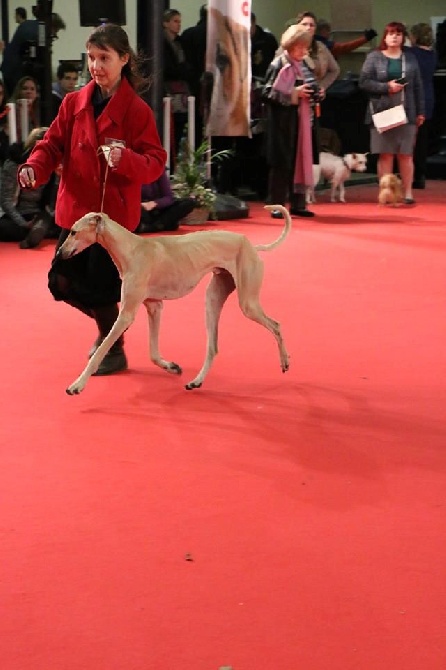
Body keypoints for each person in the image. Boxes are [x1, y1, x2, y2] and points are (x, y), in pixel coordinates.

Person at [17, 23, 167, 376]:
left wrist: (126, 159)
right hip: (75, 214)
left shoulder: (138, 111)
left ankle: (112, 345)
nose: (96, 66)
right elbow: (51, 145)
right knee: (61, 282)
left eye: (105, 58)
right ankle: (111, 331)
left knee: (101, 289)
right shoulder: (72, 103)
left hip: (112, 221)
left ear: (124, 59)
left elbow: (156, 163)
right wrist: (34, 168)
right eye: (92, 57)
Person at [359, 21, 425, 204]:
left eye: (398, 33)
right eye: (390, 33)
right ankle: (386, 193)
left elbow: (418, 86)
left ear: (403, 37)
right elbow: (363, 82)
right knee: (385, 154)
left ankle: (408, 192)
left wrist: (421, 111)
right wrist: (386, 87)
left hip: (408, 111)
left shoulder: (410, 58)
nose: (394, 36)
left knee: (406, 154)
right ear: (385, 37)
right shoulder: (374, 57)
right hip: (382, 111)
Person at [262, 24, 318, 218]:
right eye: (300, 47)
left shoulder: (304, 65)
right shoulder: (278, 64)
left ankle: (298, 204)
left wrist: (316, 94)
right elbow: (267, 93)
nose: (304, 51)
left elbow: (312, 87)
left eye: (305, 47)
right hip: (281, 122)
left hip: (301, 121)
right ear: (290, 45)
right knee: (281, 164)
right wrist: (295, 94)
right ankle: (276, 205)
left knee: (299, 161)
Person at [0, 127, 56, 248]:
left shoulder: (53, 167)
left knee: (55, 221)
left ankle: (38, 230)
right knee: (5, 227)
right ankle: (35, 232)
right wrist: (23, 223)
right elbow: (6, 202)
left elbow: (51, 202)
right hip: (14, 215)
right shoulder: (13, 165)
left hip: (37, 213)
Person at [0, 12, 66, 95]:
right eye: (55, 31)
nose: (54, 35)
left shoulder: (27, 24)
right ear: (52, 26)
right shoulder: (39, 34)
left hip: (8, 70)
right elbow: (38, 61)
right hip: (18, 74)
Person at [408, 23, 438, 189]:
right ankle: (420, 175)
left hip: (414, 97)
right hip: (428, 96)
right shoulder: (433, 54)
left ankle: (409, 174)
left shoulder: (412, 53)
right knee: (422, 139)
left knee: (410, 139)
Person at [162, 9, 194, 160]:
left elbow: (187, 66)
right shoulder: (161, 43)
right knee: (170, 128)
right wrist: (182, 69)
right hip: (168, 90)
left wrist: (183, 69)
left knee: (180, 126)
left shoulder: (180, 42)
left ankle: (174, 164)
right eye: (175, 21)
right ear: (165, 23)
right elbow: (168, 69)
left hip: (181, 90)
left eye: (180, 21)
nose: (178, 25)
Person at [9, 76, 41, 142]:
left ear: (36, 94)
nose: (28, 92)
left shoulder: (37, 110)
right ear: (19, 91)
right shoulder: (12, 109)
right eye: (25, 88)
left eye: (32, 89)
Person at [251, 13, 279, 81]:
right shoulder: (238, 41)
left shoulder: (269, 40)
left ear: (254, 23)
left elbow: (277, 61)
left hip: (265, 81)